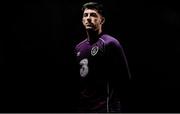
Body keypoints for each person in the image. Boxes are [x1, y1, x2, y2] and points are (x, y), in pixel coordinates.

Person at [74, 2, 131, 112]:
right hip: (84, 108)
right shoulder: (78, 48)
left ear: (102, 20)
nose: (89, 18)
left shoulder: (110, 43)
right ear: (82, 20)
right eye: (86, 15)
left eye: (93, 15)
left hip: (105, 108)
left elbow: (125, 79)